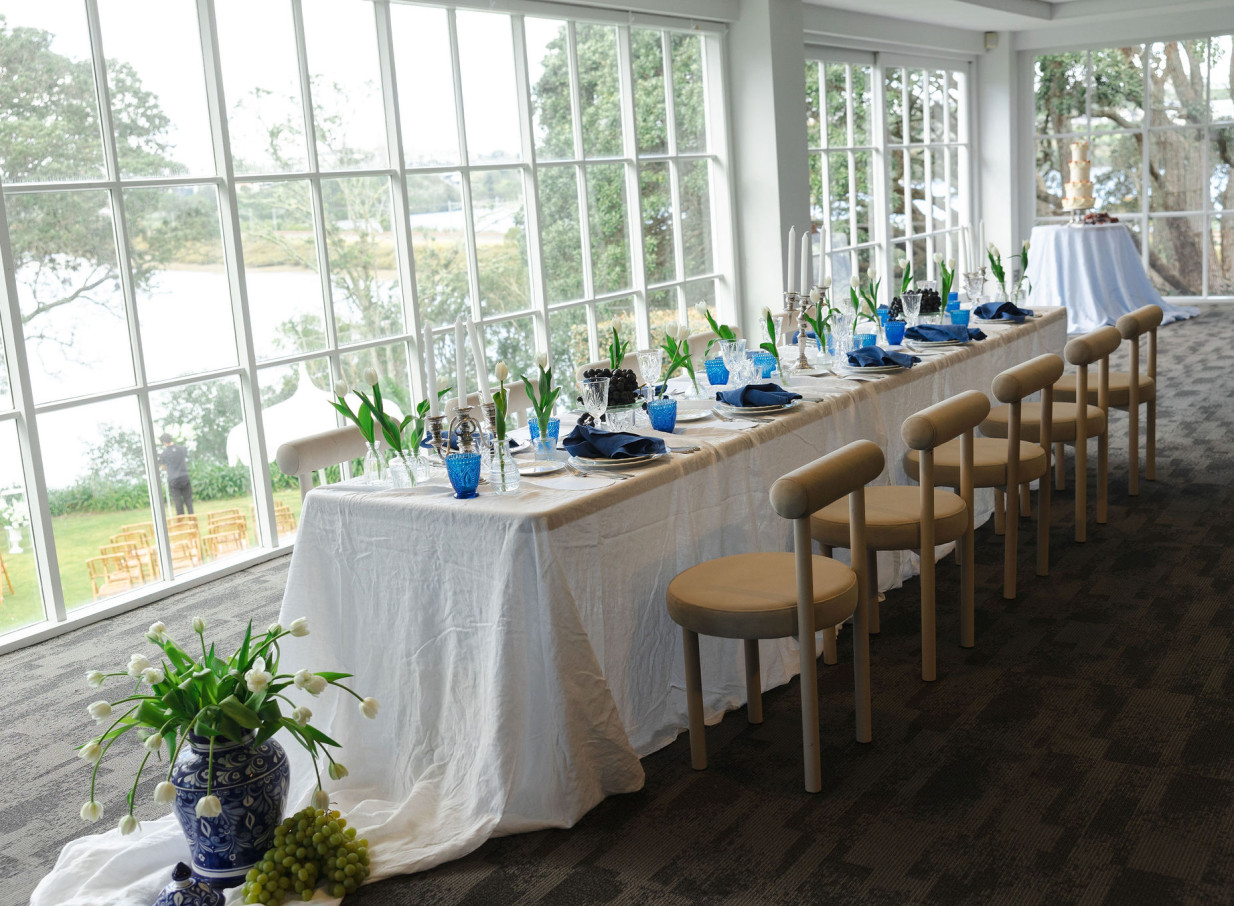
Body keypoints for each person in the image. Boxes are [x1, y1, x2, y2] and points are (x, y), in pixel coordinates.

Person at [158, 433, 193, 515]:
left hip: (173, 479)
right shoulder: (182, 449)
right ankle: (192, 518)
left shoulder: (164, 454)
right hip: (184, 476)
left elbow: (163, 467)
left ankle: (181, 520)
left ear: (164, 442)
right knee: (188, 500)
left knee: (178, 501)